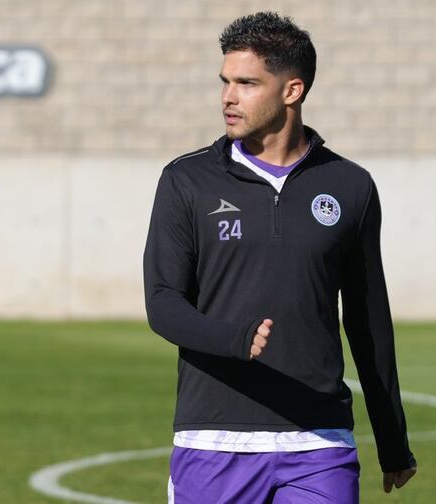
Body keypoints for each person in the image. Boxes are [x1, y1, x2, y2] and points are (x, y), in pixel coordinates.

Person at [143, 12, 416, 503]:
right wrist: (232, 338)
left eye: (247, 83)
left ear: (292, 91)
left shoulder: (350, 186)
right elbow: (163, 303)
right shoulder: (186, 181)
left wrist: (393, 440)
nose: (228, 96)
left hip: (320, 443)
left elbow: (368, 319)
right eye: (225, 81)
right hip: (215, 442)